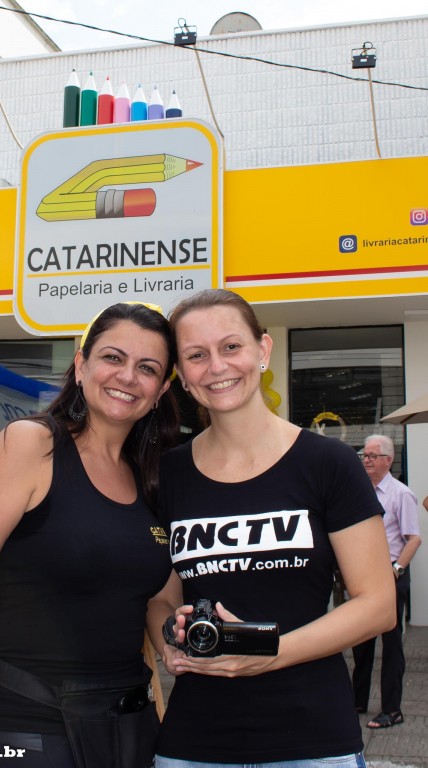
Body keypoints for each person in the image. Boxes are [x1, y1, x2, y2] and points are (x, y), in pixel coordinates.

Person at [0, 301, 179, 768]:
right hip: (23, 723)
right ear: (81, 365)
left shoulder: (154, 477)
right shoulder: (31, 446)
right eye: (113, 357)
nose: (128, 376)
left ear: (162, 389)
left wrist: (181, 648)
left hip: (126, 724)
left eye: (147, 368)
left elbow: (158, 599)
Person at [147, 288, 396, 768]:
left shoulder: (329, 463)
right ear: (181, 373)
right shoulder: (168, 474)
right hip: (194, 742)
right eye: (196, 355)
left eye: (231, 346)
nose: (216, 366)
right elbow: (161, 597)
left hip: (314, 741)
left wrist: (270, 652)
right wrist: (168, 643)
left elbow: (379, 605)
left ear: (262, 349)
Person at [352, 434, 422, 729]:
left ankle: (392, 710)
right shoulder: (360, 490)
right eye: (364, 455)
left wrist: (396, 569)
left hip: (390, 575)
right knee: (360, 642)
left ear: (388, 460)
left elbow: (414, 539)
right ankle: (357, 701)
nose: (366, 460)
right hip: (363, 576)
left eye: (372, 456)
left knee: (391, 645)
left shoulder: (400, 494)